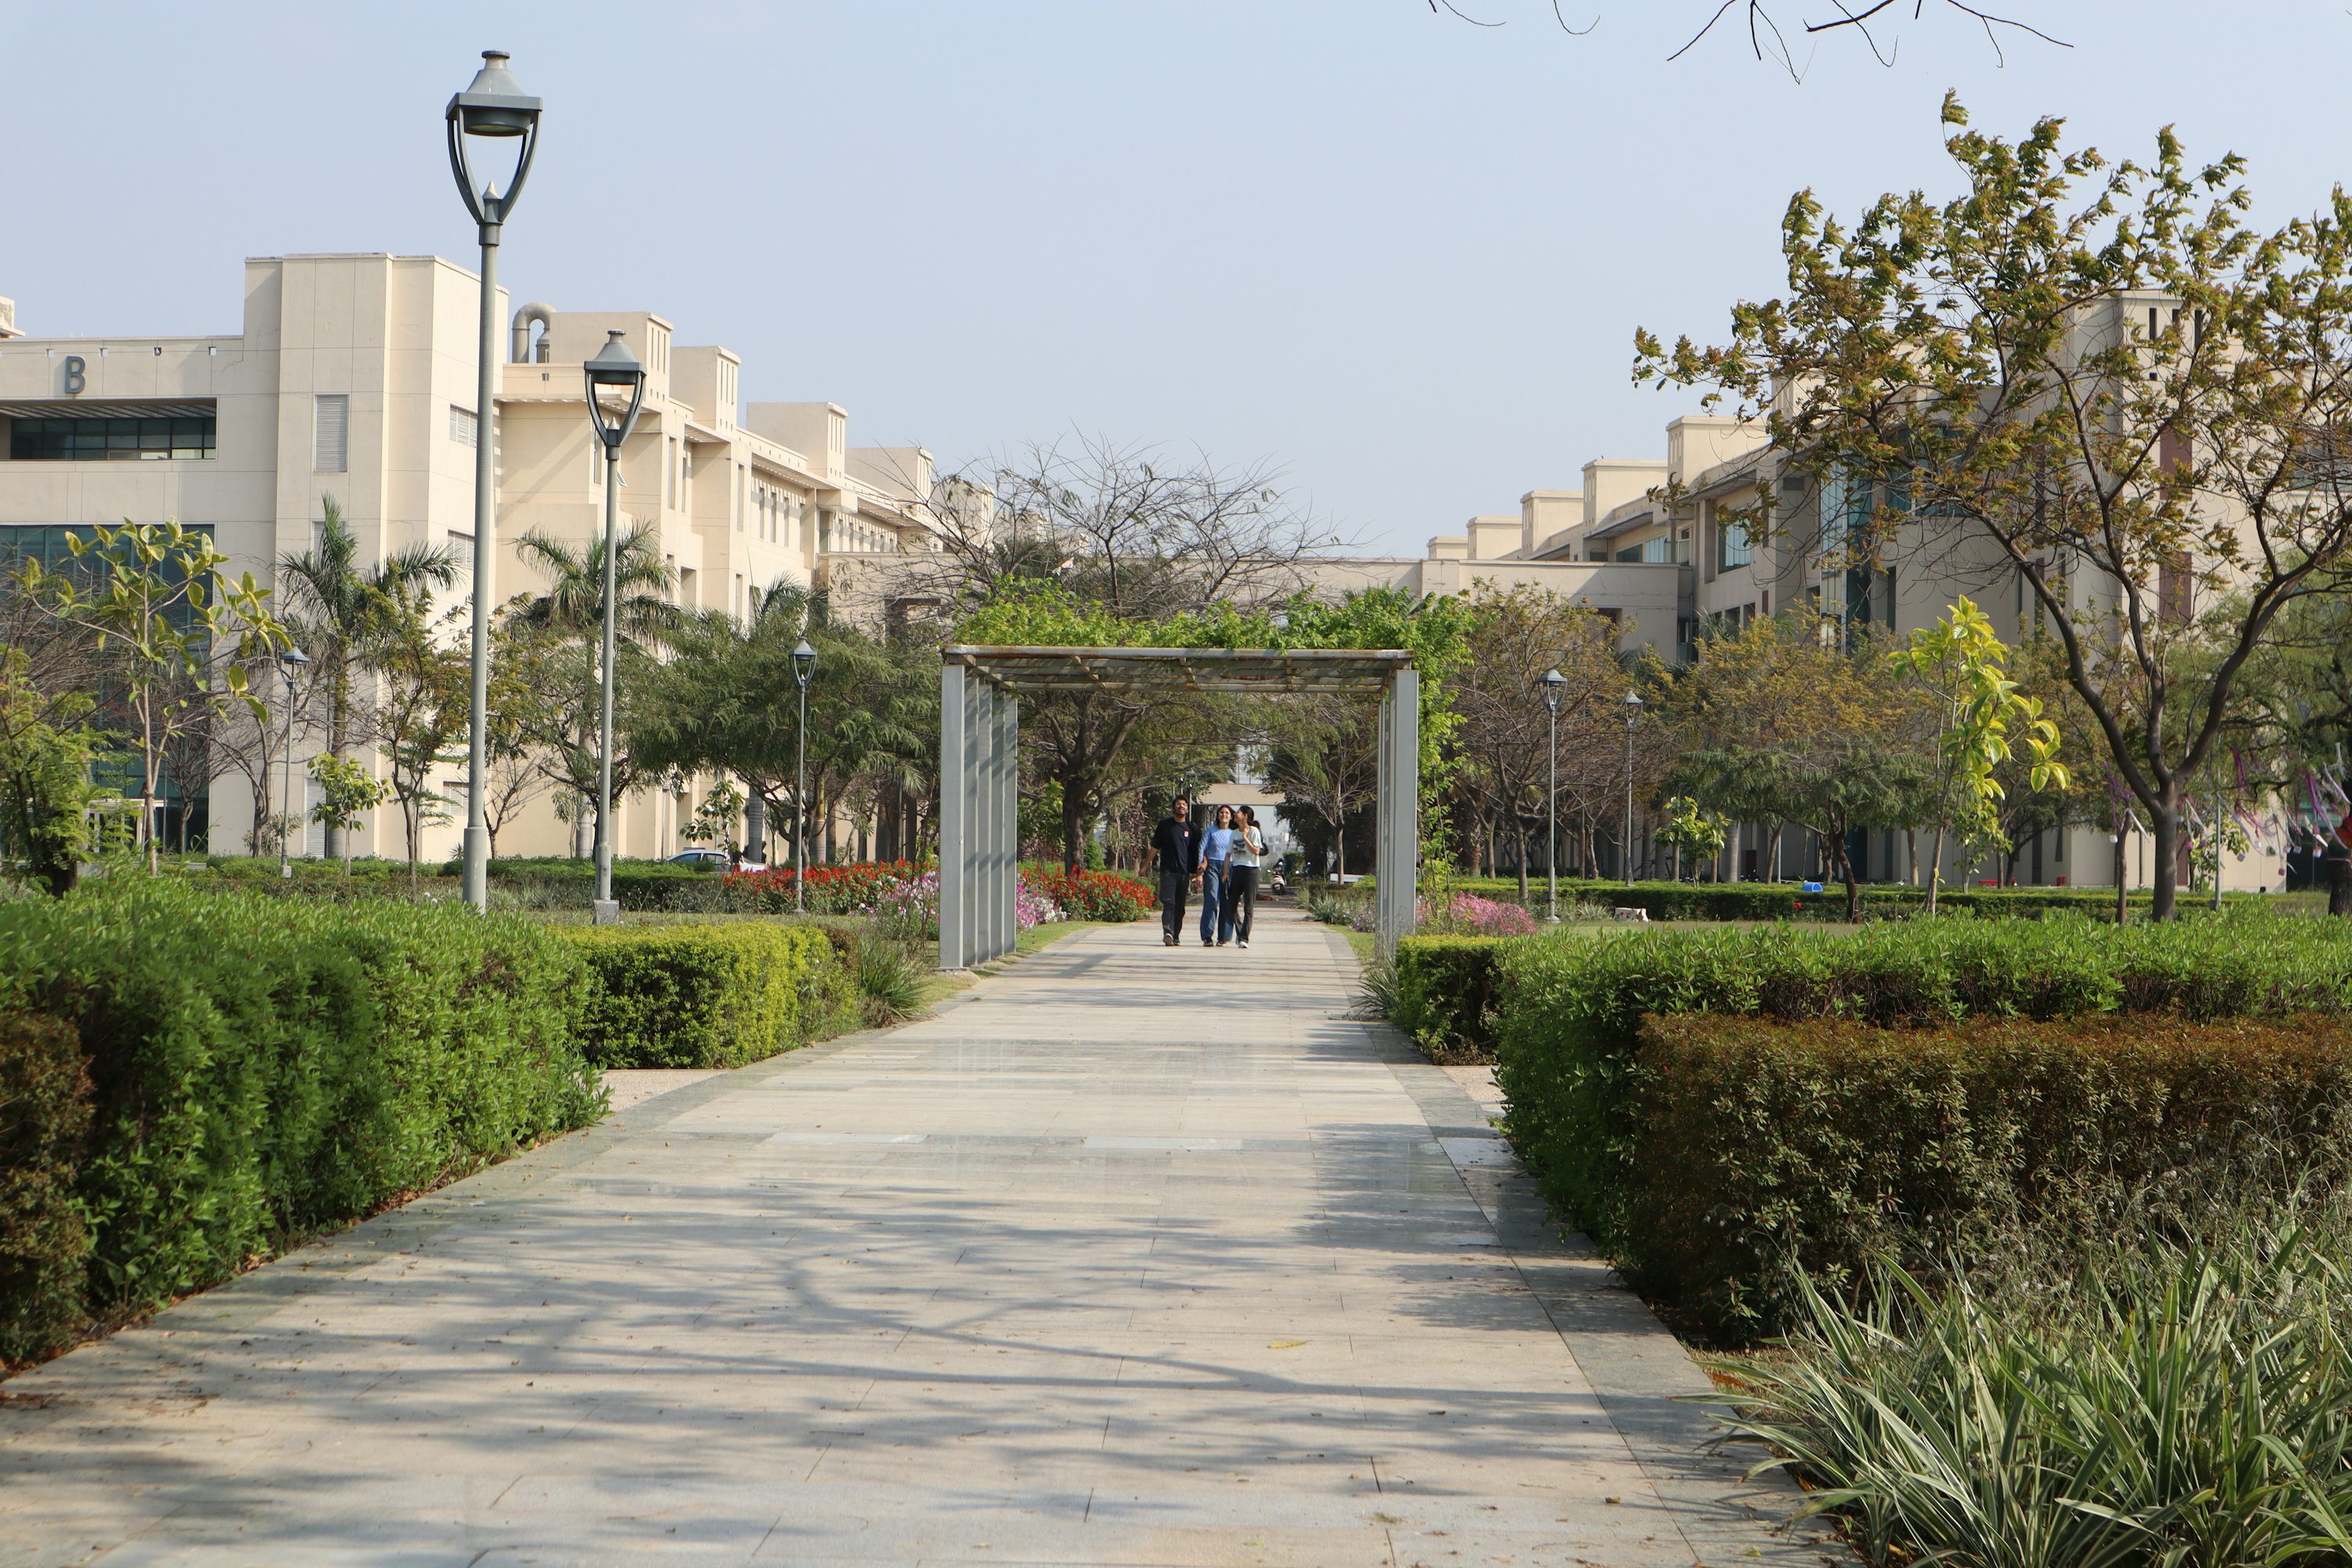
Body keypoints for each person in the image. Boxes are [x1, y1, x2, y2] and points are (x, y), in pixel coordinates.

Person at [1149, 795, 1203, 946]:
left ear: (1187, 808)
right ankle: (1168, 932)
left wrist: (1199, 871)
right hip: (1168, 871)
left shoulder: (1193, 828)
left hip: (1184, 873)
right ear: (1174, 807)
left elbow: (1200, 849)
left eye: (1184, 804)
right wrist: (1145, 865)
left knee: (1180, 906)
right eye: (1179, 804)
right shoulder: (1164, 825)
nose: (1181, 806)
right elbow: (1155, 847)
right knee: (1169, 903)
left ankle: (1176, 935)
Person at [1196, 804, 1238, 946]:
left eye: (1227, 813)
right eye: (1221, 812)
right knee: (1211, 900)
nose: (1224, 815)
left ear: (1231, 816)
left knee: (1226, 902)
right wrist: (1200, 869)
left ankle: (1224, 937)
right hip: (1212, 867)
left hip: (1229, 868)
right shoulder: (1211, 830)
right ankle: (1207, 936)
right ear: (1218, 815)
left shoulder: (1234, 833)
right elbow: (1202, 848)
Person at [1227, 805, 1265, 949]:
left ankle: (1244, 938)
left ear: (1245, 816)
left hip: (1251, 871)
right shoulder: (1233, 833)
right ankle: (1240, 931)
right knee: (1231, 905)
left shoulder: (1254, 831)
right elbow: (1228, 854)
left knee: (1248, 907)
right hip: (1237, 869)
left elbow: (1256, 851)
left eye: (1238, 812)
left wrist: (1245, 838)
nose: (1235, 814)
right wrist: (1225, 873)